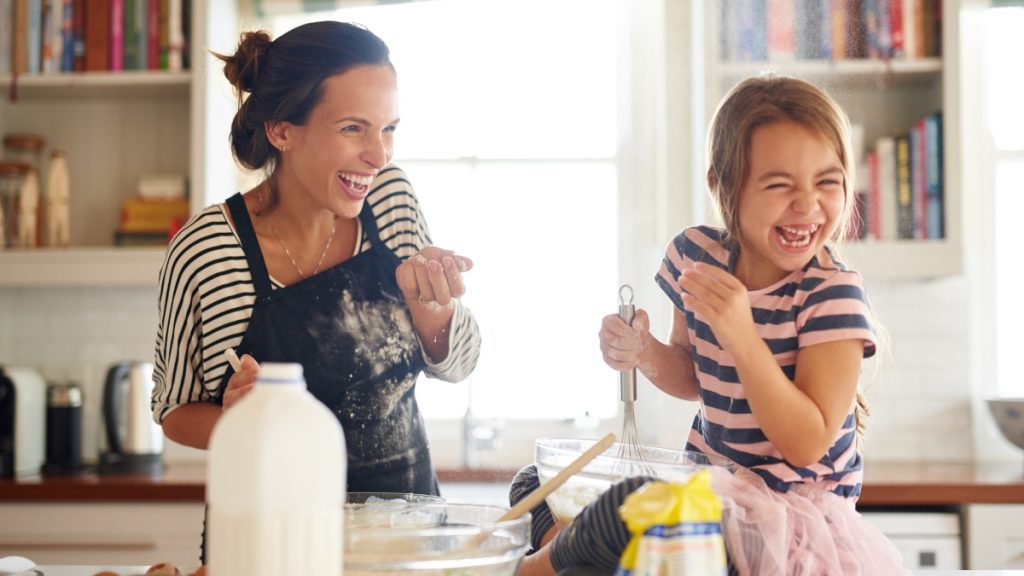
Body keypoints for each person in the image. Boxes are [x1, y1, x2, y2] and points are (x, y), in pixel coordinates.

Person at [512, 74, 908, 575]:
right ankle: (577, 556)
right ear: (721, 185)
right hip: (713, 492)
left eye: (827, 182)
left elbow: (805, 442)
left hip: (790, 524)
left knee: (629, 509)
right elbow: (696, 378)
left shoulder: (832, 294)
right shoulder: (695, 256)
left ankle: (525, 571)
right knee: (537, 485)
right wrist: (645, 352)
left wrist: (741, 333)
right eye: (780, 184)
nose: (807, 204)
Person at [151, 20, 481, 557]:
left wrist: (434, 311)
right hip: (267, 545)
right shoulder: (210, 249)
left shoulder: (390, 202)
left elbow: (461, 363)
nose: (380, 155)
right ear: (282, 130)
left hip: (402, 542)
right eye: (354, 128)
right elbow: (175, 411)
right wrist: (243, 423)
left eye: (389, 128)